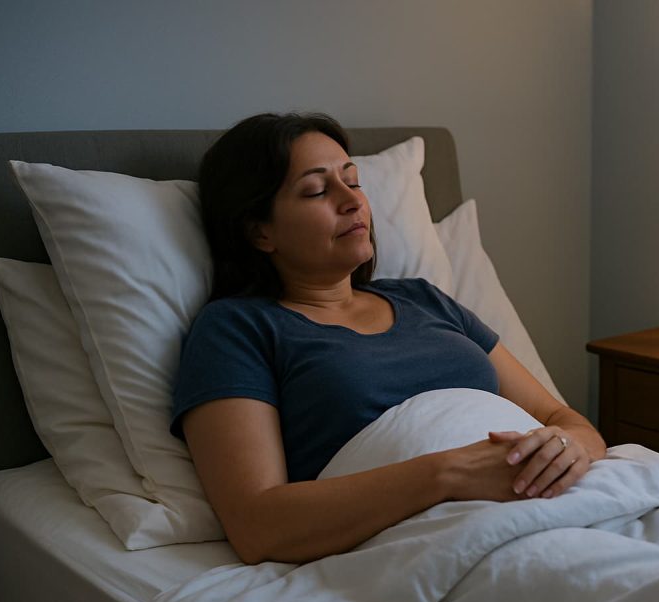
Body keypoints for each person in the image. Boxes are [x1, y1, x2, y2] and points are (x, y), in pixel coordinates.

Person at [172, 112, 606, 565]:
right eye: (318, 190)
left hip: (560, 499)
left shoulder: (425, 299)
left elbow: (562, 417)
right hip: (444, 542)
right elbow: (257, 527)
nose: (352, 202)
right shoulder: (236, 329)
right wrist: (451, 473)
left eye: (353, 182)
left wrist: (567, 449)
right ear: (260, 231)